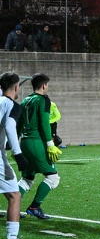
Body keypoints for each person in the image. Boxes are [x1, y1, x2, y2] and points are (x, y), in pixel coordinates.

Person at [17, 73, 63, 220]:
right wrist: (50, 144)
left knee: (27, 178)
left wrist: (15, 146)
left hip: (24, 142)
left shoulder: (26, 100)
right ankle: (34, 207)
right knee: (52, 178)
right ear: (44, 85)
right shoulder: (44, 100)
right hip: (37, 143)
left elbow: (18, 124)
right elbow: (44, 123)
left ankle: (14, 208)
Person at [0, 72, 32, 239]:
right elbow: (10, 127)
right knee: (14, 195)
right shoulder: (12, 105)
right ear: (17, 87)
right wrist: (18, 155)